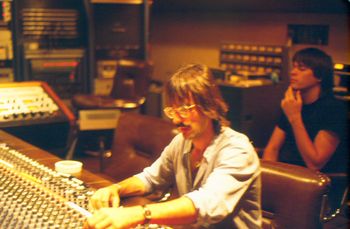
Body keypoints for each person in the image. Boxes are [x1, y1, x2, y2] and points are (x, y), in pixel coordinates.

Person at [85, 64, 262, 229]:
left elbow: (206, 204)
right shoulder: (182, 142)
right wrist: (115, 189)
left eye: (184, 110)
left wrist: (139, 214)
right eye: (172, 111)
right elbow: (151, 178)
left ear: (210, 107)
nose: (176, 120)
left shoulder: (237, 150)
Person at [263, 47, 348, 173]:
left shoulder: (334, 109)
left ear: (319, 76)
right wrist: (270, 176)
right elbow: (272, 149)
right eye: (294, 67)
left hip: (317, 183)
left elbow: (314, 164)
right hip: (287, 174)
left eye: (301, 69)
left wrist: (295, 118)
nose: (293, 72)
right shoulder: (293, 104)